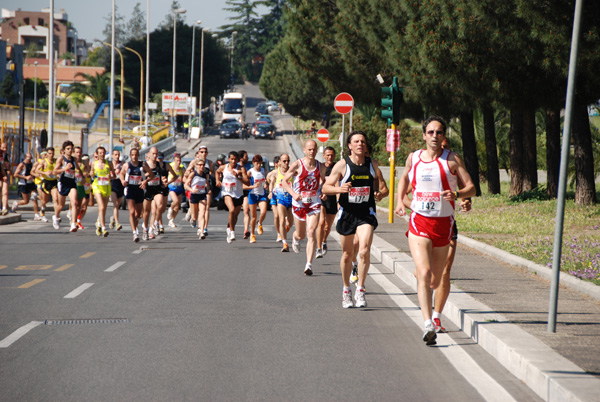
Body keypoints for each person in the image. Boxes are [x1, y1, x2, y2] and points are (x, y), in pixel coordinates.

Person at [394, 116, 475, 345]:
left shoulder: (452, 160)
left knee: (435, 279)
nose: (434, 136)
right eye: (430, 132)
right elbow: (404, 178)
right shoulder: (414, 158)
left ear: (444, 136)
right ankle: (428, 323)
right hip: (419, 222)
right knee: (425, 272)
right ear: (424, 135)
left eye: (439, 132)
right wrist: (400, 200)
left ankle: (424, 283)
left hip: (444, 224)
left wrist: (459, 196)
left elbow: (471, 188)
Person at [323, 132, 388, 308]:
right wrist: (340, 189)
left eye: (363, 141)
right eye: (356, 141)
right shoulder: (342, 165)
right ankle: (346, 290)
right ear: (350, 146)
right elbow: (326, 187)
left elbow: (384, 189)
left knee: (364, 250)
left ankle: (360, 289)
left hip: (366, 212)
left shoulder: (372, 164)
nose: (360, 144)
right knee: (347, 254)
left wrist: (379, 194)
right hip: (347, 213)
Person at [282, 139, 326, 276]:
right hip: (299, 203)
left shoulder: (321, 166)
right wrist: (294, 194)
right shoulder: (297, 165)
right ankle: (295, 238)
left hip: (314, 202)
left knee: (311, 232)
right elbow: (284, 182)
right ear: (304, 150)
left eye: (314, 149)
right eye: (309, 149)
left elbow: (323, 182)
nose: (312, 152)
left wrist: (323, 192)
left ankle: (308, 265)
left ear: (317, 150)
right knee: (301, 234)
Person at [215, 151, 249, 243]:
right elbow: (217, 172)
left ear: (238, 160)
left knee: (235, 216)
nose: (233, 161)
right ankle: (232, 231)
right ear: (228, 159)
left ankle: (229, 227)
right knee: (232, 210)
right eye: (232, 159)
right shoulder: (223, 167)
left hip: (238, 194)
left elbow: (247, 182)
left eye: (235, 159)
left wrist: (238, 176)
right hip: (227, 192)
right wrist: (217, 180)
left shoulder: (241, 169)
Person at [120, 147, 153, 242]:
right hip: (129, 189)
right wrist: (122, 180)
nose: (134, 156)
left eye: (136, 155)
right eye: (132, 155)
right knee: (131, 212)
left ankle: (136, 225)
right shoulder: (127, 165)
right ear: (130, 156)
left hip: (139, 189)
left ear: (138, 155)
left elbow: (152, 175)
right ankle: (135, 233)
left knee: (138, 214)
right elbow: (121, 174)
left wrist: (145, 181)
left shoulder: (143, 165)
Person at [53, 141, 83, 232]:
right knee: (61, 205)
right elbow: (55, 171)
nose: (70, 151)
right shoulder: (61, 159)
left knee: (74, 202)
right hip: (63, 183)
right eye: (68, 149)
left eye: (71, 149)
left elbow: (78, 169)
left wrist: (82, 176)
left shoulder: (74, 160)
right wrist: (65, 168)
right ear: (64, 150)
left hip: (72, 183)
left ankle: (73, 223)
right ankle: (56, 216)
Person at [315, 146, 338, 259]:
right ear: (323, 156)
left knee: (327, 227)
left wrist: (339, 200)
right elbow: (317, 182)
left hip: (332, 199)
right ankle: (318, 248)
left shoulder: (337, 168)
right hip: (321, 198)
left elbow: (339, 184)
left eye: (332, 155)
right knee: (321, 222)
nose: (330, 157)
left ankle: (324, 241)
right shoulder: (320, 167)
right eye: (327, 155)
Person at [184, 158, 211, 239]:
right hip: (194, 195)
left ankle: (202, 231)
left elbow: (207, 183)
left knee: (202, 213)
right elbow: (185, 185)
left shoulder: (205, 174)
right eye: (200, 165)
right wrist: (192, 190)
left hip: (202, 195)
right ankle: (193, 219)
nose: (202, 167)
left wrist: (208, 189)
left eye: (203, 165)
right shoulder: (193, 174)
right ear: (196, 166)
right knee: (195, 216)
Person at [245, 154, 269, 243]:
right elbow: (245, 184)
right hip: (253, 194)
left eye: (260, 163)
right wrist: (253, 186)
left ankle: (259, 223)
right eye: (257, 163)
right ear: (253, 163)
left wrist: (266, 185)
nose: (259, 165)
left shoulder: (263, 170)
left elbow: (265, 181)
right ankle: (252, 235)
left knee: (263, 211)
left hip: (262, 194)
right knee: (253, 216)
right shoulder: (250, 172)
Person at [92, 146, 115, 237]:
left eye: (103, 152)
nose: (102, 154)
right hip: (97, 186)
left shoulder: (109, 163)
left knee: (104, 208)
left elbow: (114, 175)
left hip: (106, 187)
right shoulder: (93, 163)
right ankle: (104, 228)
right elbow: (92, 174)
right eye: (100, 153)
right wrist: (91, 174)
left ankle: (99, 222)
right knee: (101, 206)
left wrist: (111, 176)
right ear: (97, 154)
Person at [11, 152, 41, 220]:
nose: (29, 160)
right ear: (25, 157)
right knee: (26, 201)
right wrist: (25, 177)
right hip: (23, 184)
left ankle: (36, 214)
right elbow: (15, 174)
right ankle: (16, 204)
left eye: (30, 158)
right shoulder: (22, 165)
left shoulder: (32, 164)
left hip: (30, 183)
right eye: (28, 158)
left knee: (34, 197)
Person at [142, 147, 163, 240]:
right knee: (146, 212)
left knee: (160, 205)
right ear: (149, 154)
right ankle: (145, 230)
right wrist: (147, 177)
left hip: (157, 189)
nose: (155, 156)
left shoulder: (160, 164)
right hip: (148, 190)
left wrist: (165, 181)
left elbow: (162, 175)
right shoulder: (145, 165)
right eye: (153, 154)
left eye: (156, 154)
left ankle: (155, 224)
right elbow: (141, 177)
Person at [274, 153, 294, 252]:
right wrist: (270, 190)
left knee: (290, 223)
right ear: (280, 162)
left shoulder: (293, 172)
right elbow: (269, 179)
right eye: (284, 161)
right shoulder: (276, 172)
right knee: (281, 220)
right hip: (280, 199)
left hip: (291, 199)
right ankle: (285, 243)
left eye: (288, 161)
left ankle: (287, 226)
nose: (286, 163)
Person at [266, 155, 282, 242]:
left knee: (283, 215)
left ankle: (285, 225)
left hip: (283, 195)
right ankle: (278, 233)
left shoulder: (285, 172)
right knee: (276, 216)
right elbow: (269, 182)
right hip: (274, 195)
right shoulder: (272, 173)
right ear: (276, 163)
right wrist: (270, 191)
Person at [167, 153, 185, 228]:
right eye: (177, 161)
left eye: (179, 161)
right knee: (175, 201)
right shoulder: (171, 167)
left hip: (179, 188)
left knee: (177, 206)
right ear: (174, 160)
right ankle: (170, 209)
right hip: (172, 187)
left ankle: (171, 221)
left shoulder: (182, 168)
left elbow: (185, 176)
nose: (178, 162)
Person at [238, 150, 252, 239]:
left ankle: (246, 230)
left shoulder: (249, 166)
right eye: (246, 156)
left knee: (246, 210)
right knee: (234, 212)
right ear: (241, 158)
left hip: (246, 191)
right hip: (237, 191)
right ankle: (230, 227)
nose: (247, 158)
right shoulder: (236, 167)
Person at [110, 149, 125, 231]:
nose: (117, 156)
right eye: (115, 154)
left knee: (117, 205)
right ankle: (117, 223)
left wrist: (122, 171)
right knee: (115, 204)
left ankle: (113, 218)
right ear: (112, 155)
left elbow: (126, 172)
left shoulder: (122, 164)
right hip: (112, 184)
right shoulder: (109, 164)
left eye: (118, 154)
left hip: (120, 185)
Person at [0, 142, 10, 215]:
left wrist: (8, 170)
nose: (4, 149)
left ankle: (4, 208)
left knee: (5, 192)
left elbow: (6, 165)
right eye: (3, 147)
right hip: (1, 174)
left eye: (6, 148)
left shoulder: (6, 155)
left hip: (4, 174)